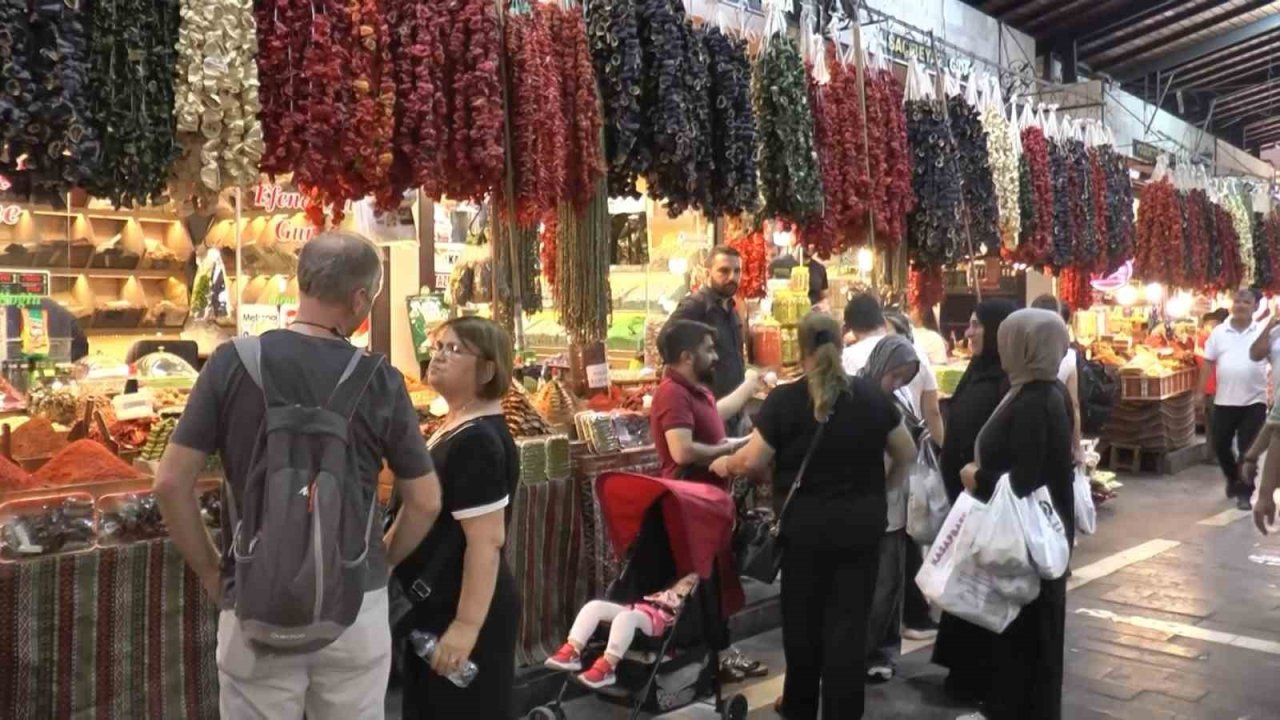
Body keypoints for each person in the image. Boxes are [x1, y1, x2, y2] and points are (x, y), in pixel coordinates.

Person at [154, 231, 443, 719]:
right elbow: (426, 500)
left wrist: (211, 572)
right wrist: (383, 562)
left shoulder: (231, 363)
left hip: (255, 597)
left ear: (300, 282)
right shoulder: (380, 379)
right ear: (358, 300)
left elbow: (168, 484)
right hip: (355, 601)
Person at [710, 312, 915, 720]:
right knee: (849, 630)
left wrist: (724, 465)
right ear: (841, 344)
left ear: (800, 350)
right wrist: (880, 492)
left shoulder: (785, 400)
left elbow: (753, 461)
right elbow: (906, 453)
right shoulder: (872, 397)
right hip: (860, 533)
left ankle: (800, 708)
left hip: (804, 535)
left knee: (803, 632)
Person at [393, 317, 522, 719]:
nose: (440, 356)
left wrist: (466, 627)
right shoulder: (458, 426)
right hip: (439, 603)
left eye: (455, 350)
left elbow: (486, 541)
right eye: (440, 346)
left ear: (487, 369)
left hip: (460, 606)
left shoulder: (479, 441)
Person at [956, 308, 1076, 720]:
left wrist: (978, 478)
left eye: (1008, 338)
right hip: (1038, 534)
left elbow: (1026, 478)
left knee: (1025, 634)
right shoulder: (1041, 391)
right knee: (1026, 634)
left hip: (1028, 540)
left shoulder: (1035, 401)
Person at [932, 298, 1016, 703]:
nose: (968, 333)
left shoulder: (1008, 383)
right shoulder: (979, 373)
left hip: (987, 507)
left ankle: (981, 677)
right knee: (964, 588)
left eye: (975, 326)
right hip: (964, 505)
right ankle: (962, 672)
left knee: (981, 591)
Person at [857, 335, 922, 682]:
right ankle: (861, 650)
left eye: (905, 377)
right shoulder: (859, 397)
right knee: (873, 586)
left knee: (890, 585)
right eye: (894, 375)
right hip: (870, 501)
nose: (898, 384)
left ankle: (882, 651)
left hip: (895, 503)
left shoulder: (902, 398)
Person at [650, 320, 758, 486]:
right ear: (687, 357)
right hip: (690, 501)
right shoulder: (673, 392)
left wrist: (749, 440)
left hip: (709, 499)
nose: (715, 356)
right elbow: (682, 452)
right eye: (708, 350)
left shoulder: (698, 390)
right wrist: (728, 450)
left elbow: (717, 419)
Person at [544, 573, 700, 688]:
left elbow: (683, 621)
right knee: (594, 606)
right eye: (685, 579)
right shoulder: (664, 590)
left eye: (690, 582)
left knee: (626, 618)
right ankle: (572, 651)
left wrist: (678, 604)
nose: (686, 582)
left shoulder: (683, 603)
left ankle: (608, 668)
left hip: (654, 623)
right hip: (637, 609)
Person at [843, 294, 945, 445]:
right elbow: (932, 412)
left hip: (869, 446)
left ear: (850, 329)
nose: (897, 384)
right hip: (913, 442)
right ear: (883, 321)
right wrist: (938, 451)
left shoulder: (846, 358)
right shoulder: (915, 352)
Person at [1205, 288, 1268, 510]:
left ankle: (1245, 492)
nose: (1241, 305)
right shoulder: (1219, 332)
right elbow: (1208, 361)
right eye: (1237, 301)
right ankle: (1233, 478)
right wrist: (1200, 392)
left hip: (1255, 401)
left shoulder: (1262, 331)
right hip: (1224, 400)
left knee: (1247, 449)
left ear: (1254, 306)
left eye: (1246, 302)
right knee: (1220, 445)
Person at [668, 246, 748, 412]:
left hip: (734, 408)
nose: (732, 277)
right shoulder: (695, 306)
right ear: (707, 274)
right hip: (707, 410)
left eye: (737, 271)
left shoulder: (731, 307)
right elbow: (667, 339)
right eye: (724, 271)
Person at [1031, 295, 1082, 459]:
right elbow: (1074, 406)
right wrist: (1077, 447)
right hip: (1058, 428)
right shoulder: (1068, 357)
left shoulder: (1021, 351)